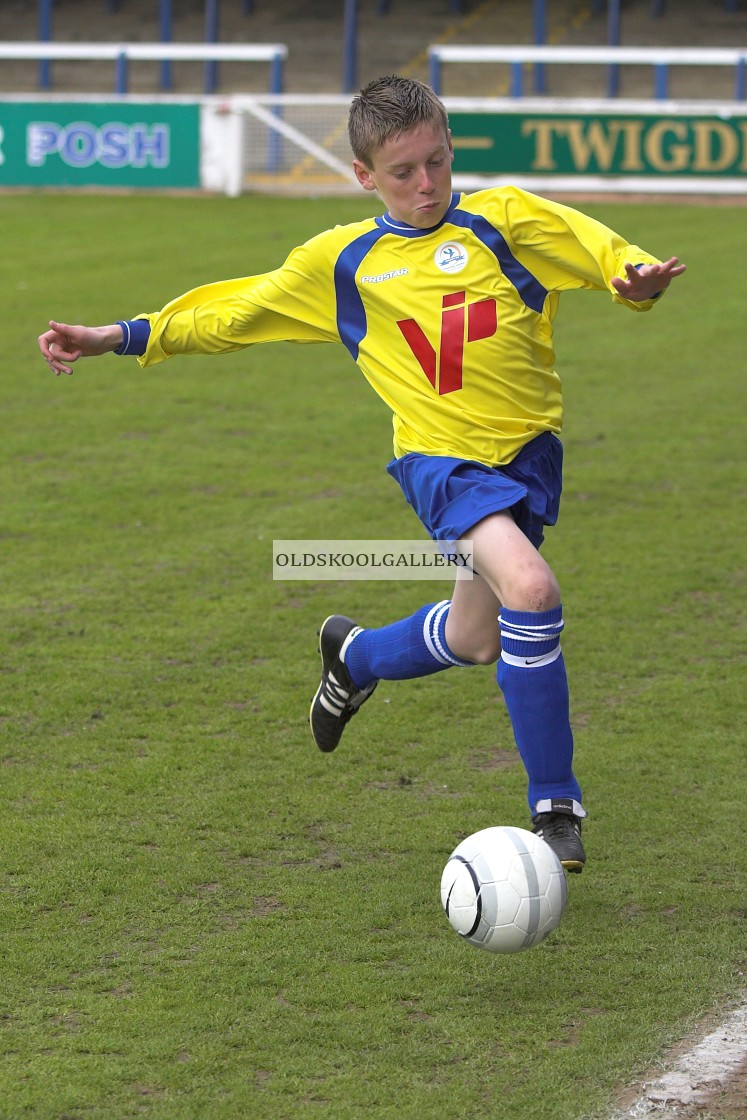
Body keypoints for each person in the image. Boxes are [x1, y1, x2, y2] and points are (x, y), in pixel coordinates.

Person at [38, 75, 685, 873]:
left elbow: (606, 256)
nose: (425, 185)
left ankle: (355, 658)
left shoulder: (508, 220)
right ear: (363, 175)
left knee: (477, 637)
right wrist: (118, 335)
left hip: (527, 458)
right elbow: (236, 313)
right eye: (404, 171)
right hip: (441, 463)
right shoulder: (343, 262)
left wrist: (637, 279)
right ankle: (555, 807)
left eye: (437, 163)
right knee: (532, 589)